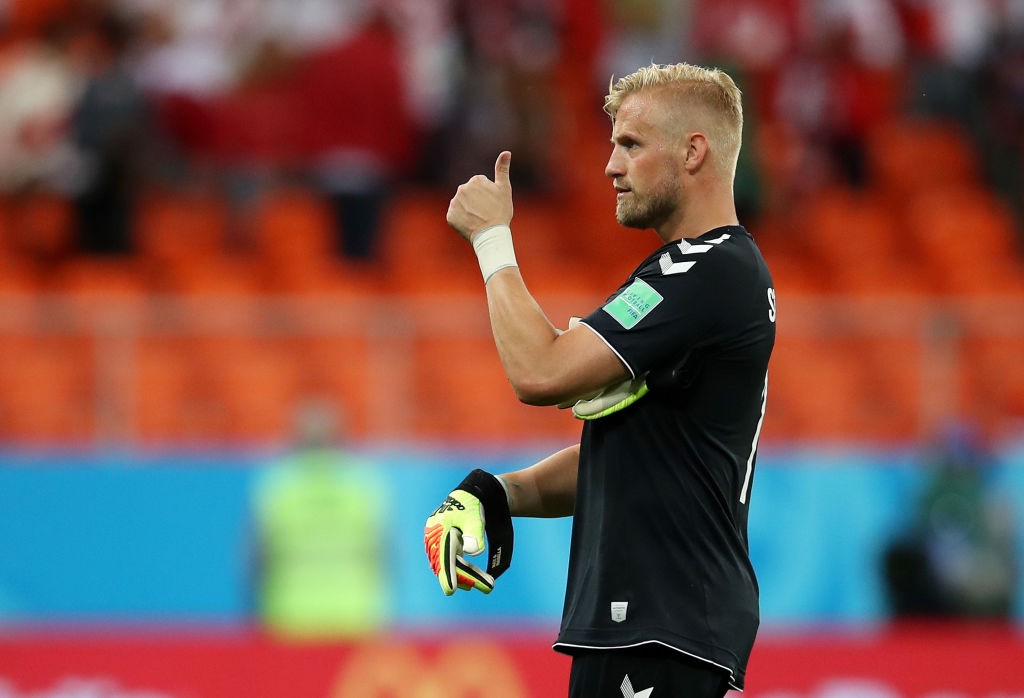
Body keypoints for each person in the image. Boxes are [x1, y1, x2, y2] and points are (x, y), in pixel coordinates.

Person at [423, 62, 775, 697]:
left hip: (661, 623)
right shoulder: (695, 271)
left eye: (631, 144)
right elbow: (632, 457)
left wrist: (492, 239)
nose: (611, 166)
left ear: (694, 151)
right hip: (656, 625)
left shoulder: (708, 270)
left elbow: (540, 371)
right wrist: (504, 492)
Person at [251, 398, 390, 639]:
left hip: (291, 616)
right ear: (341, 437)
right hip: (354, 615)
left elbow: (258, 557)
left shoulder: (279, 483)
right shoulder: (363, 483)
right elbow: (384, 552)